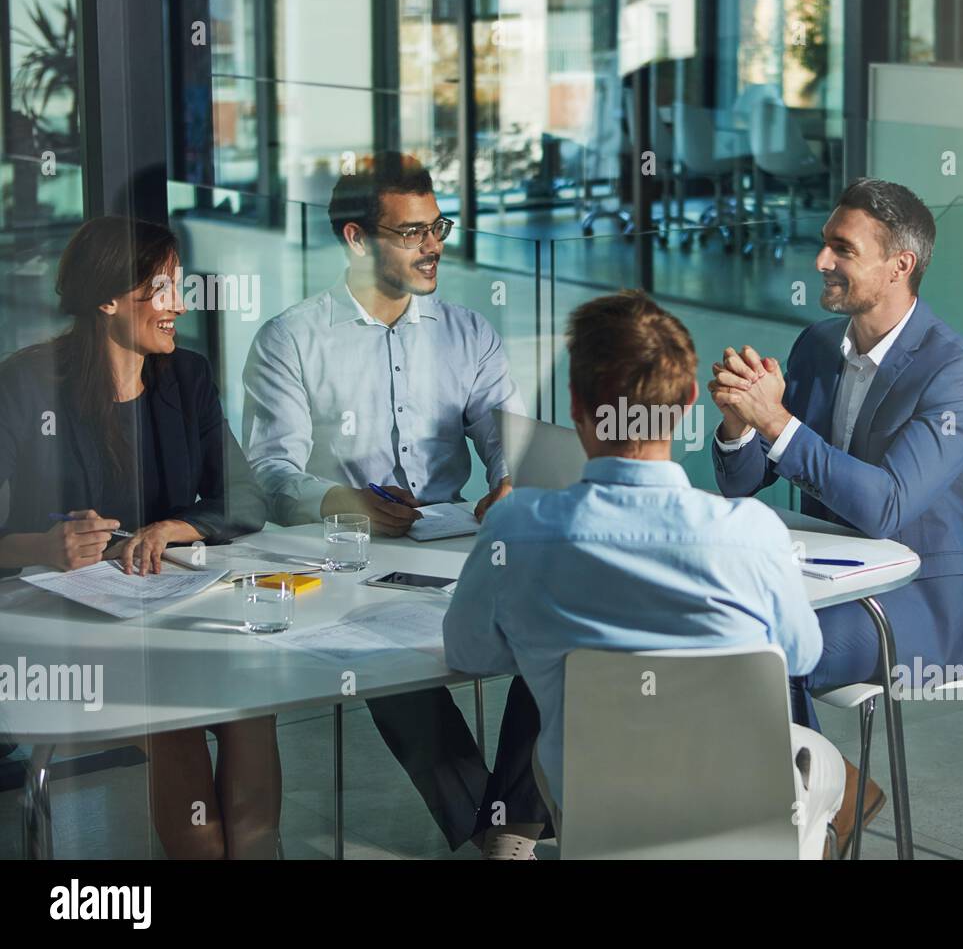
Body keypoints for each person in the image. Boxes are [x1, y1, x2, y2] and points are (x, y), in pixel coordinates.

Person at [444, 291, 846, 860]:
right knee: (816, 765)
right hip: (743, 822)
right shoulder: (750, 534)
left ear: (577, 405)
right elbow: (801, 658)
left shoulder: (516, 528)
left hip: (599, 821)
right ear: (684, 405)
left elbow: (467, 650)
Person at [241, 151, 548, 857]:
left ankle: (502, 834)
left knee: (557, 622)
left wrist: (509, 478)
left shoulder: (467, 332)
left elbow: (512, 437)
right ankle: (502, 839)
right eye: (411, 232)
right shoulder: (291, 339)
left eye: (436, 225)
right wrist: (340, 500)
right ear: (356, 239)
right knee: (382, 658)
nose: (434, 245)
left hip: (459, 541)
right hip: (349, 558)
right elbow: (270, 470)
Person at [709, 177, 963, 853]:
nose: (821, 262)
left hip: (923, 600)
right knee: (713, 630)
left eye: (842, 249)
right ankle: (835, 790)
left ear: (900, 265)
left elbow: (886, 506)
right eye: (824, 245)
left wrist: (777, 423)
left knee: (762, 654)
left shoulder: (959, 376)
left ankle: (780, 826)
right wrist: (739, 429)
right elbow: (744, 483)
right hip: (829, 582)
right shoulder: (818, 346)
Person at [0, 215, 277, 858]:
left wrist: (175, 527)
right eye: (161, 288)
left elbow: (246, 498)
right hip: (66, 623)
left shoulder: (188, 376)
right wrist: (41, 547)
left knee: (252, 705)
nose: (179, 304)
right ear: (106, 298)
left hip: (171, 605)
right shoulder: (24, 385)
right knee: (174, 717)